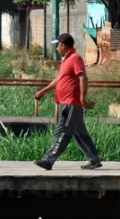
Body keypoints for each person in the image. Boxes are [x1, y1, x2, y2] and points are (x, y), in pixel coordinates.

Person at [33, 33, 102, 170]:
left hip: (71, 103)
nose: (57, 48)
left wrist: (83, 99)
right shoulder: (67, 60)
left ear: (63, 45)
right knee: (80, 132)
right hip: (67, 102)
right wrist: (43, 91)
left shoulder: (75, 58)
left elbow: (83, 78)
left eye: (57, 45)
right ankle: (94, 159)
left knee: (63, 132)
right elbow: (60, 79)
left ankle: (48, 160)